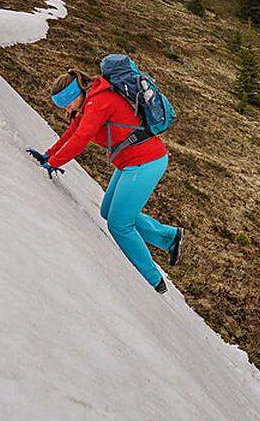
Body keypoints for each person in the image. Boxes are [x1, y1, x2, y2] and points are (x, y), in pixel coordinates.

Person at [28, 68, 183, 294]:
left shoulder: (99, 101)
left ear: (76, 95)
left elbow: (81, 139)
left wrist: (54, 164)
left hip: (146, 162)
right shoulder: (86, 105)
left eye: (67, 104)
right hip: (131, 163)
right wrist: (48, 156)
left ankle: (153, 282)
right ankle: (168, 237)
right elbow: (72, 133)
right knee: (108, 211)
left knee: (119, 224)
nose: (66, 110)